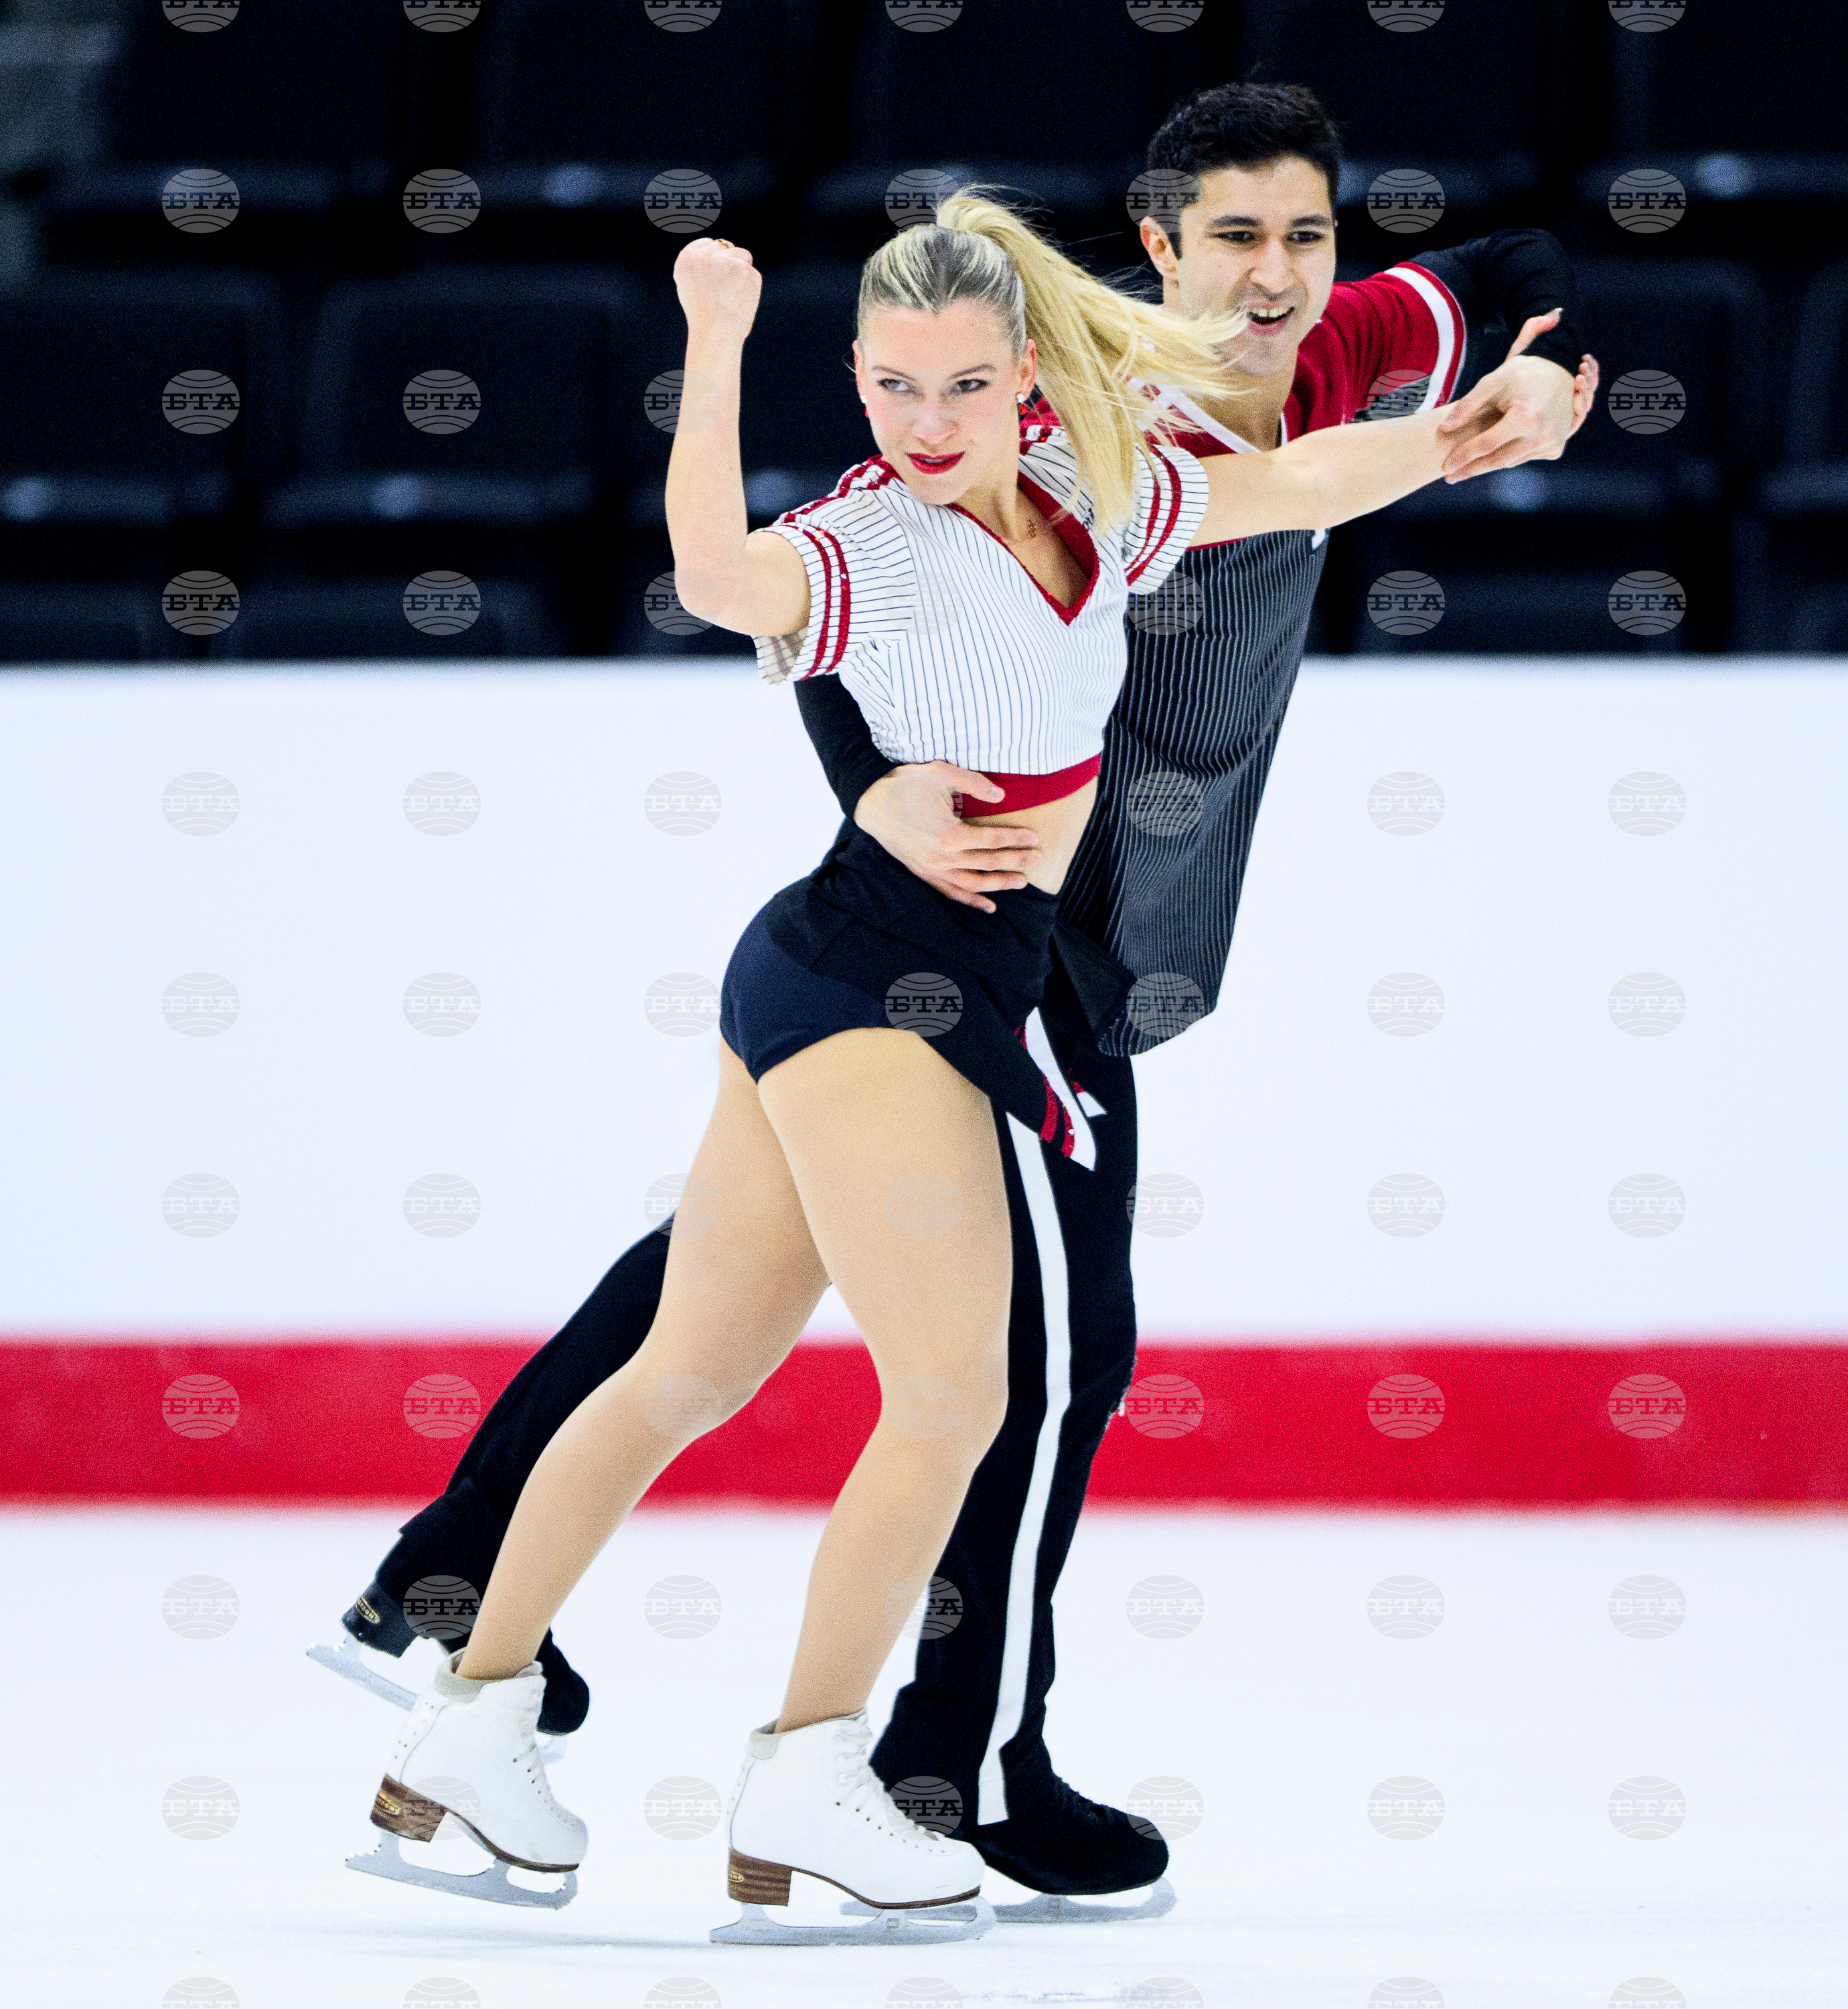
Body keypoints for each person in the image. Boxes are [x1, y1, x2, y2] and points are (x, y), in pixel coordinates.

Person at [324, 83, 1596, 1927]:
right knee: (956, 1399)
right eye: (889, 389)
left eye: (957, 389)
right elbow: (722, 582)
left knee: (693, 1358)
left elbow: (1302, 478)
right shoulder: (880, 540)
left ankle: (470, 1707)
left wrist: (1465, 443)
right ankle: (827, 1776)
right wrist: (713, 347)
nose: (924, 425)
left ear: (1025, 383)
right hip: (896, 980)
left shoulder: (1109, 493)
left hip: (856, 972)